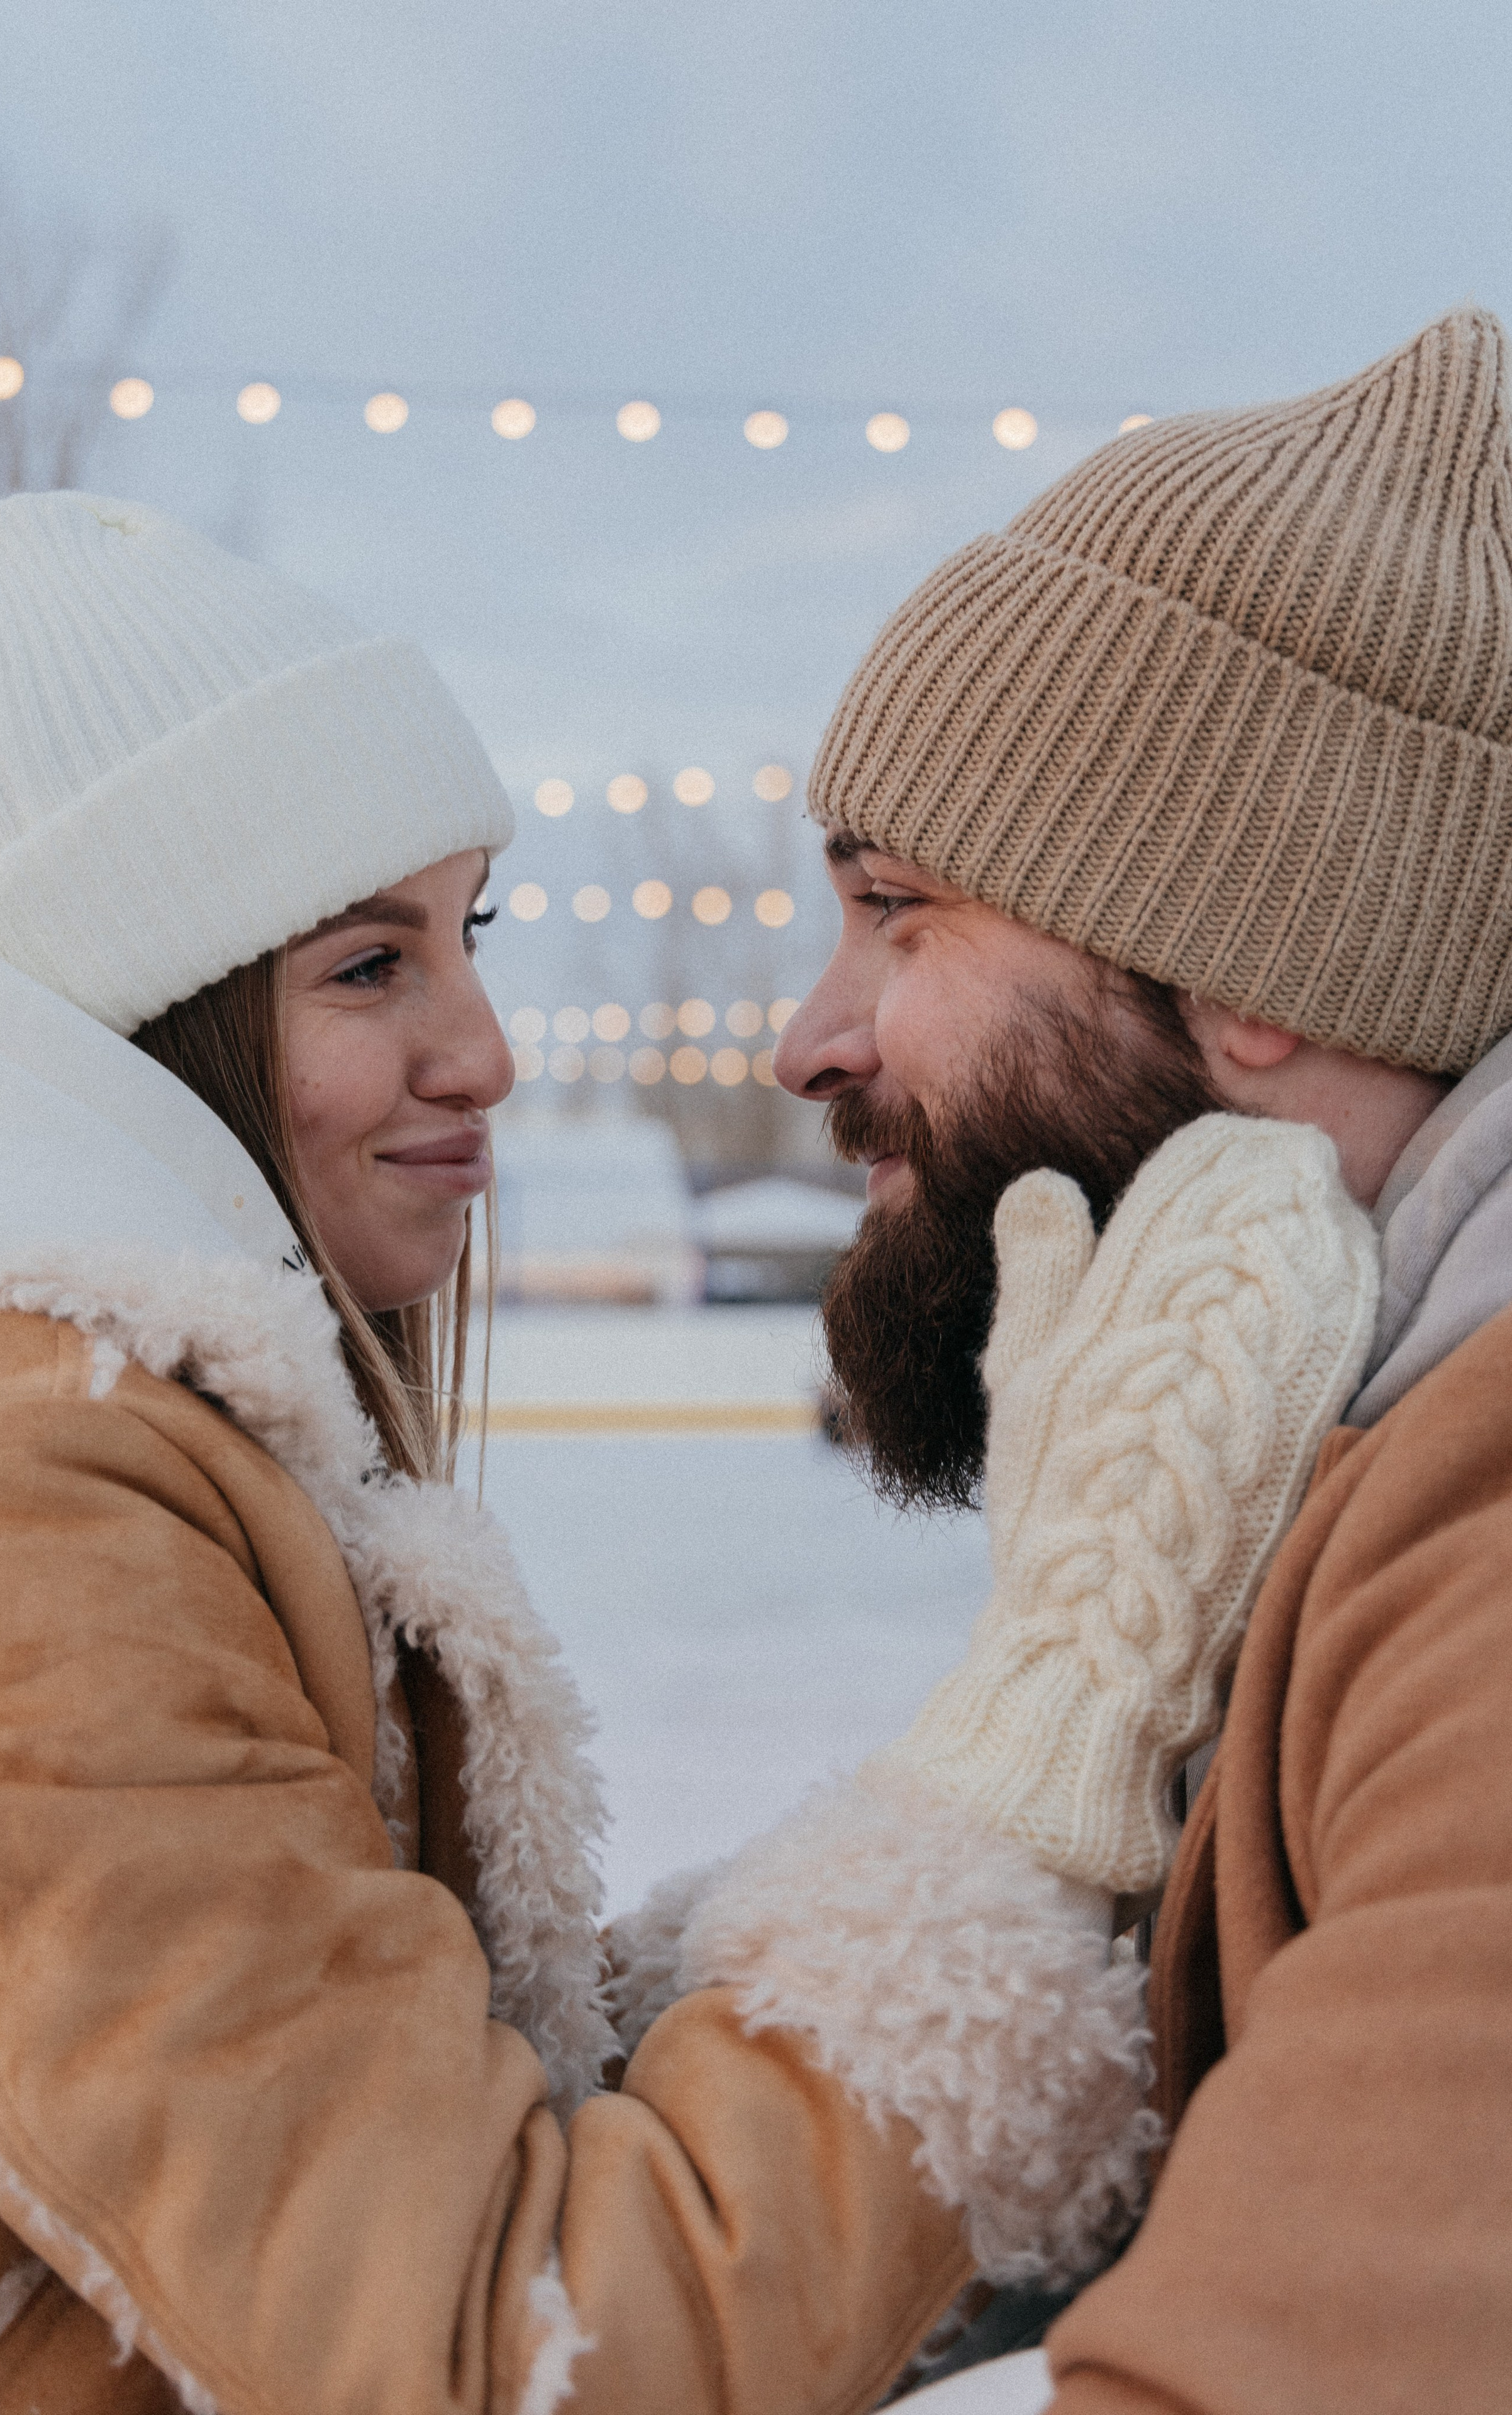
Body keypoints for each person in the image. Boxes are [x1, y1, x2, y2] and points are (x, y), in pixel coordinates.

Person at [0, 491, 1184, 2414]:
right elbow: (505, 2352)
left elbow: (416, 2109)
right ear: (132, 1033)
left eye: (464, 934)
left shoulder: (139, 1440)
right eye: (367, 966)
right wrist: (1024, 1770)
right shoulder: (17, 1508)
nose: (487, 1047)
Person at [752, 304, 1512, 2406]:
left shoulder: (1488, 1528)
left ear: (1255, 960)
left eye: (901, 912)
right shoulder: (1337, 1442)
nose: (807, 1038)